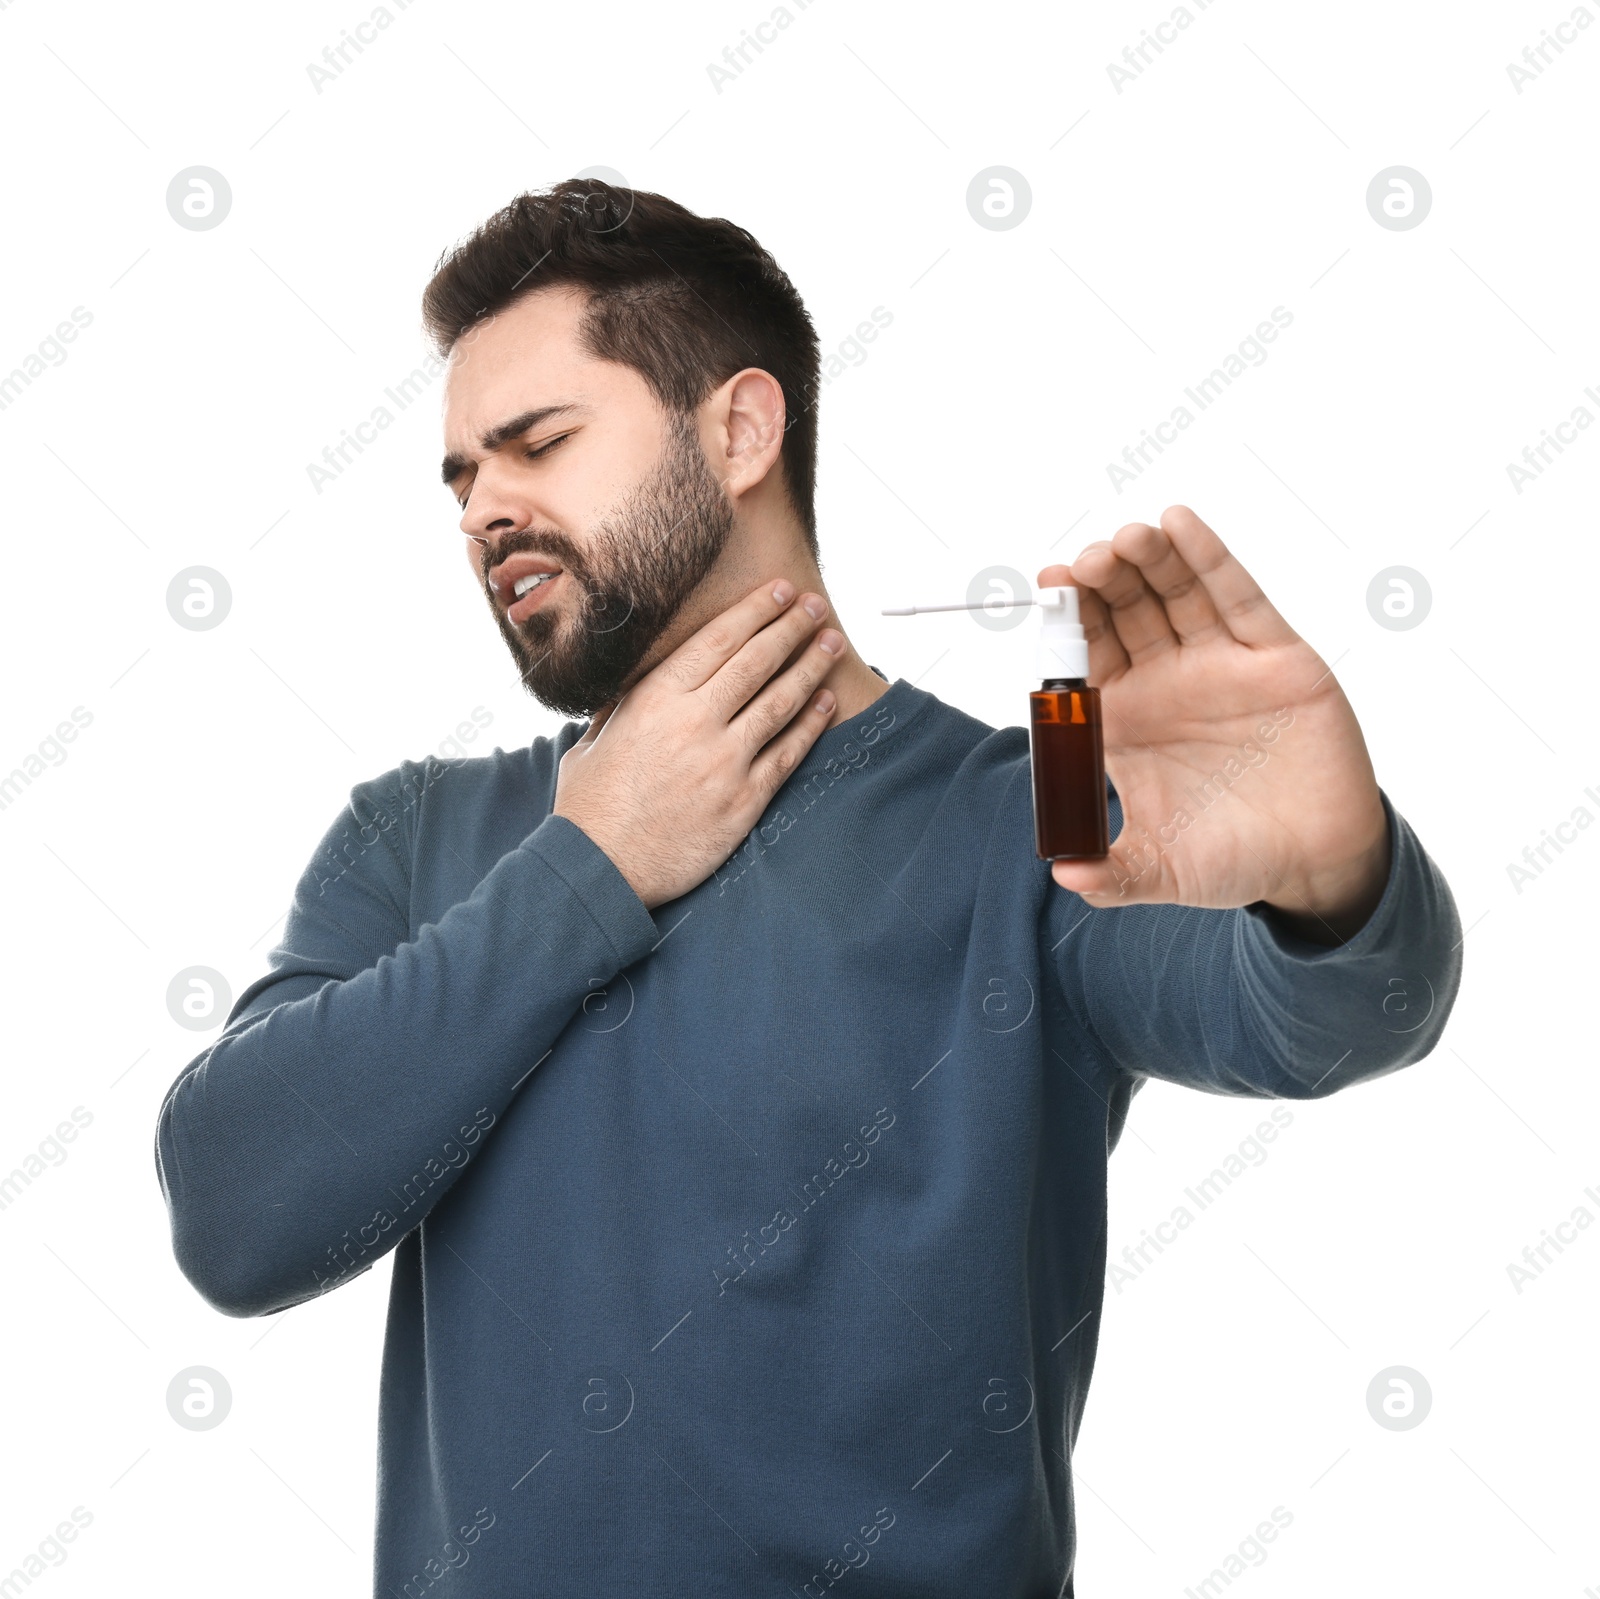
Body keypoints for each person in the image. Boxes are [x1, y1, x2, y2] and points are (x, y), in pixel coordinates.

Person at [154, 179, 1462, 1598]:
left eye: (537, 443)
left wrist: (1335, 876)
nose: (485, 510)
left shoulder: (1035, 827)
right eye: (464, 476)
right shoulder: (415, 838)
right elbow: (238, 1218)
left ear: (739, 431)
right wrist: (594, 861)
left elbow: (1334, 1022)